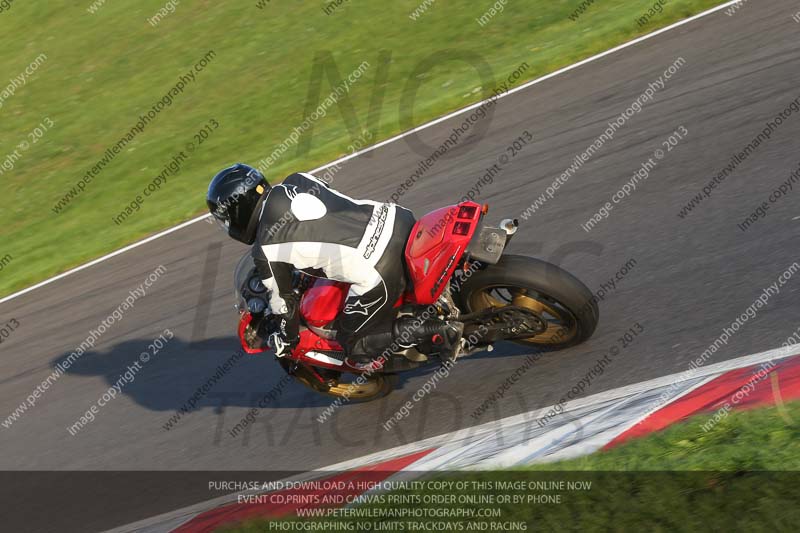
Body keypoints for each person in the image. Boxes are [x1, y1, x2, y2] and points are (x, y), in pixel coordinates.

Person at [206, 163, 463, 366]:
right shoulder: (298, 179)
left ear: (237, 211)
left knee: (355, 344)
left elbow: (284, 306)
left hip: (379, 266)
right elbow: (324, 221)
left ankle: (439, 331)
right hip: (396, 218)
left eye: (225, 220)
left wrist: (285, 339)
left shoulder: (266, 249)